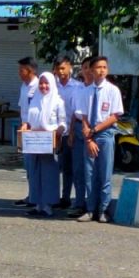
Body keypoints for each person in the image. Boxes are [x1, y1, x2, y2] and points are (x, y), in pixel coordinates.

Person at [74, 56, 124, 223]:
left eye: (104, 67)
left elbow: (114, 116)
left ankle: (103, 210)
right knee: (89, 174)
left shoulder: (112, 90)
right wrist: (88, 139)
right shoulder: (86, 91)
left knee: (104, 174)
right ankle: (90, 209)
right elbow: (84, 117)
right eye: (98, 67)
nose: (102, 70)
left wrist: (95, 130)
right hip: (89, 136)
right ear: (91, 70)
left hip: (105, 135)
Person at [22, 72, 67, 216]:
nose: (43, 86)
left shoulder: (58, 101)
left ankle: (48, 205)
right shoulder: (34, 100)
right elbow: (30, 121)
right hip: (34, 143)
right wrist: (25, 126)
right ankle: (37, 204)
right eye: (41, 83)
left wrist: (59, 131)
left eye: (46, 83)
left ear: (52, 84)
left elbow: (63, 122)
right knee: (35, 173)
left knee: (49, 174)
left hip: (49, 143)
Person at [53, 56, 82, 211]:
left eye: (63, 68)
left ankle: (68, 198)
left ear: (70, 67)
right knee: (54, 167)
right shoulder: (52, 86)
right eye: (58, 69)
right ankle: (52, 196)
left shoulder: (77, 87)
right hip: (53, 133)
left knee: (70, 168)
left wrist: (71, 134)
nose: (61, 72)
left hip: (69, 133)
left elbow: (75, 113)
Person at [67, 57, 95, 218]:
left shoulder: (97, 89)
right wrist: (71, 132)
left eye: (90, 67)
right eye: (84, 67)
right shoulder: (77, 88)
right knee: (77, 169)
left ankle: (92, 204)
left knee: (90, 169)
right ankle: (79, 203)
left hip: (92, 129)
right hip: (77, 126)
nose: (87, 70)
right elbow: (73, 112)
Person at [13, 57, 39, 207]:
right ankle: (32, 195)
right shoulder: (24, 86)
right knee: (28, 166)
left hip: (35, 131)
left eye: (21, 70)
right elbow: (22, 108)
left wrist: (28, 124)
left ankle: (37, 197)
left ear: (31, 71)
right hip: (24, 130)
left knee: (35, 166)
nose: (19, 73)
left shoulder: (39, 86)